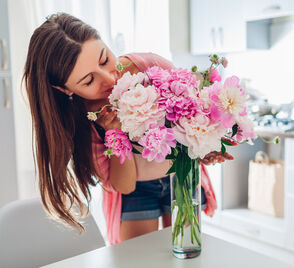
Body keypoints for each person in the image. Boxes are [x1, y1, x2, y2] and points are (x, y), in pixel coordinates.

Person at [23, 13, 233, 244]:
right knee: (140, 258)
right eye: (88, 81)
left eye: (104, 60)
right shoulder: (83, 121)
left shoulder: (148, 65)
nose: (109, 79)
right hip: (136, 193)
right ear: (65, 90)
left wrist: (208, 146)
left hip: (180, 175)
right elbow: (125, 185)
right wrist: (117, 135)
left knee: (186, 249)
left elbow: (193, 112)